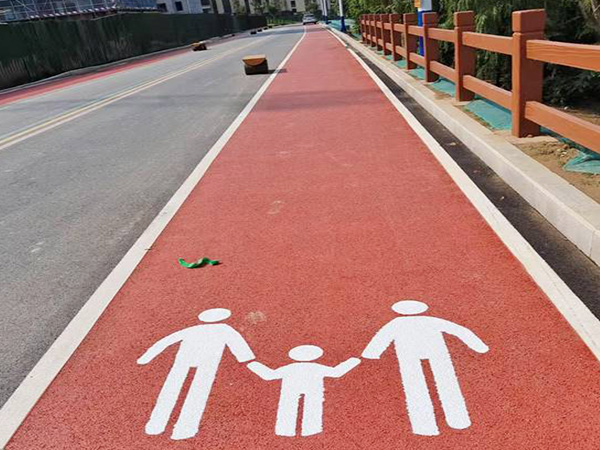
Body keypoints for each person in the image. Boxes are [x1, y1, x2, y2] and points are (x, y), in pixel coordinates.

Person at [362, 300, 489, 436]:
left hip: (409, 355)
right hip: (436, 351)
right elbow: (459, 330)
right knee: (447, 382)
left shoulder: (397, 323)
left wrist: (371, 354)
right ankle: (459, 419)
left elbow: (381, 338)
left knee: (415, 386)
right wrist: (479, 346)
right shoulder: (431, 320)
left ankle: (424, 426)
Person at [137, 308, 255, 440]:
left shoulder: (192, 329)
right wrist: (246, 359)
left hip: (183, 360)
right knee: (198, 391)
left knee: (170, 388)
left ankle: (156, 424)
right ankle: (185, 428)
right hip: (208, 362)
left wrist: (146, 357)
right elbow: (237, 343)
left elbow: (166, 341)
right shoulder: (224, 329)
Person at [248, 345, 360, 437]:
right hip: (313, 388)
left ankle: (284, 429)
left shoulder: (290, 367)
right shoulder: (317, 367)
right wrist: (352, 361)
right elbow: (336, 372)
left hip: (290, 388)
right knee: (313, 406)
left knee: (287, 406)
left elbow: (269, 375)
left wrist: (254, 365)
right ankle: (311, 429)